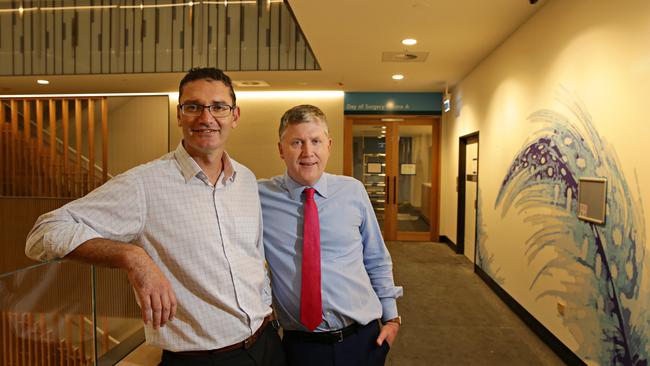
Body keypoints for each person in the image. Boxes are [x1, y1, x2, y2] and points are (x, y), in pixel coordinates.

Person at [25, 68, 286, 366]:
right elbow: (43, 233)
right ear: (179, 115)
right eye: (193, 107)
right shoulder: (143, 185)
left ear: (235, 116)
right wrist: (132, 256)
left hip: (266, 344)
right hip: (201, 359)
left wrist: (266, 306)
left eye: (218, 107)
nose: (206, 117)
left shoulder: (246, 179)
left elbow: (252, 254)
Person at [258, 105, 403, 366]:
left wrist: (392, 319)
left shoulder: (353, 191)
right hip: (300, 347)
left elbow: (376, 257)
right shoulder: (259, 197)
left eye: (316, 141)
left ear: (329, 146)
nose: (307, 152)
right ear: (281, 149)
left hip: (362, 339)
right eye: (296, 142)